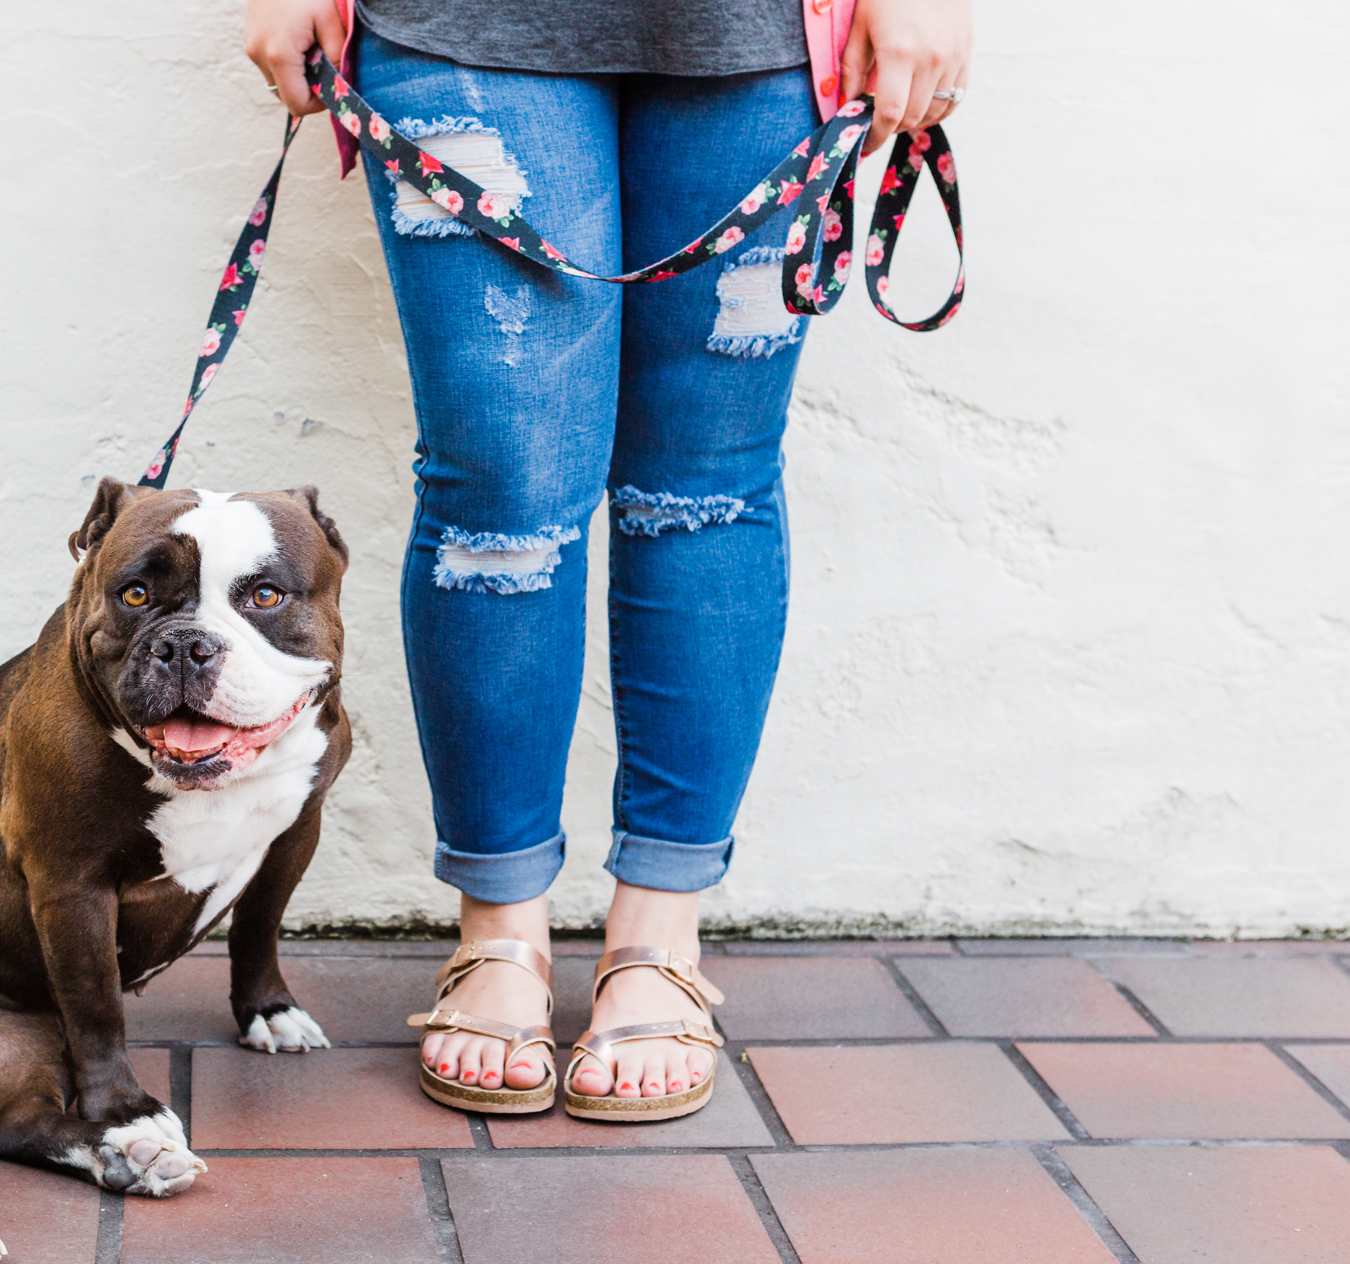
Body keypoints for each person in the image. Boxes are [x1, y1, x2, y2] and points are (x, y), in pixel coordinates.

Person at [245, 0, 970, 1120]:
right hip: (456, 27)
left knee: (706, 487)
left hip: (768, 34)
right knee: (502, 492)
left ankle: (659, 930)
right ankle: (496, 932)